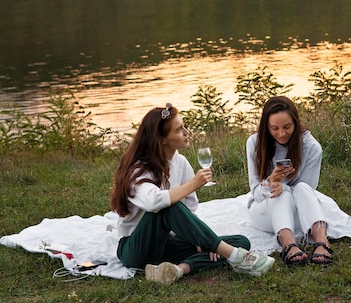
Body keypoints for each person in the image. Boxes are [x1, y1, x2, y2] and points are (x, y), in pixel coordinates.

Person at [110, 103, 275, 284]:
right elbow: (154, 202)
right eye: (179, 130)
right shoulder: (139, 169)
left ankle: (178, 269)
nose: (187, 132)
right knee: (167, 206)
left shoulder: (180, 162)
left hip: (168, 244)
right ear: (162, 139)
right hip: (136, 249)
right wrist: (193, 184)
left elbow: (190, 208)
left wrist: (200, 240)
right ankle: (236, 257)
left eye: (184, 126)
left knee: (240, 241)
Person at [246, 96, 333, 266]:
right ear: (266, 126)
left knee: (300, 187)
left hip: (300, 213)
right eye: (274, 128)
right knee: (281, 194)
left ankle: (322, 241)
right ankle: (288, 244)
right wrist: (272, 181)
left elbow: (308, 191)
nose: (281, 133)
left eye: (287, 127)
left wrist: (283, 186)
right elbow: (256, 192)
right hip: (265, 211)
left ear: (295, 123)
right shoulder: (254, 143)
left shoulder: (311, 147)